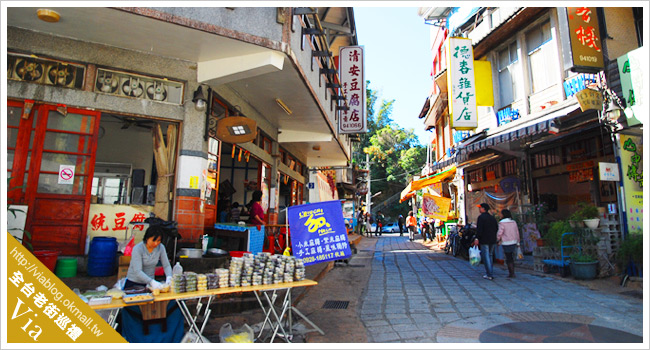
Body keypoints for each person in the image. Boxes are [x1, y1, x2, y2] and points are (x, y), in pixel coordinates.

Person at [125, 225, 173, 290]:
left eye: (158, 240)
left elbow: (166, 265)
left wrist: (169, 277)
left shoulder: (161, 247)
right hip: (134, 282)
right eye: (153, 240)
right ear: (147, 238)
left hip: (150, 285)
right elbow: (137, 271)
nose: (156, 243)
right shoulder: (138, 249)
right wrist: (151, 282)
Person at [473, 203, 499, 280]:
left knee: (486, 256)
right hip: (492, 239)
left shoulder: (481, 218)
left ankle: (489, 273)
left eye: (480, 208)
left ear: (483, 209)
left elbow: (479, 229)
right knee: (490, 255)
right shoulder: (492, 218)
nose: (479, 209)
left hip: (484, 240)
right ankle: (490, 272)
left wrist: (477, 238)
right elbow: (496, 228)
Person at [497, 209, 521, 278]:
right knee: (511, 257)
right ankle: (512, 271)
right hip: (513, 241)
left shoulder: (502, 223)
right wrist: (518, 241)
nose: (500, 215)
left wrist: (498, 239)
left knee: (508, 257)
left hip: (506, 241)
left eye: (501, 214)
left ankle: (511, 272)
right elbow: (517, 232)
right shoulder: (513, 222)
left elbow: (500, 233)